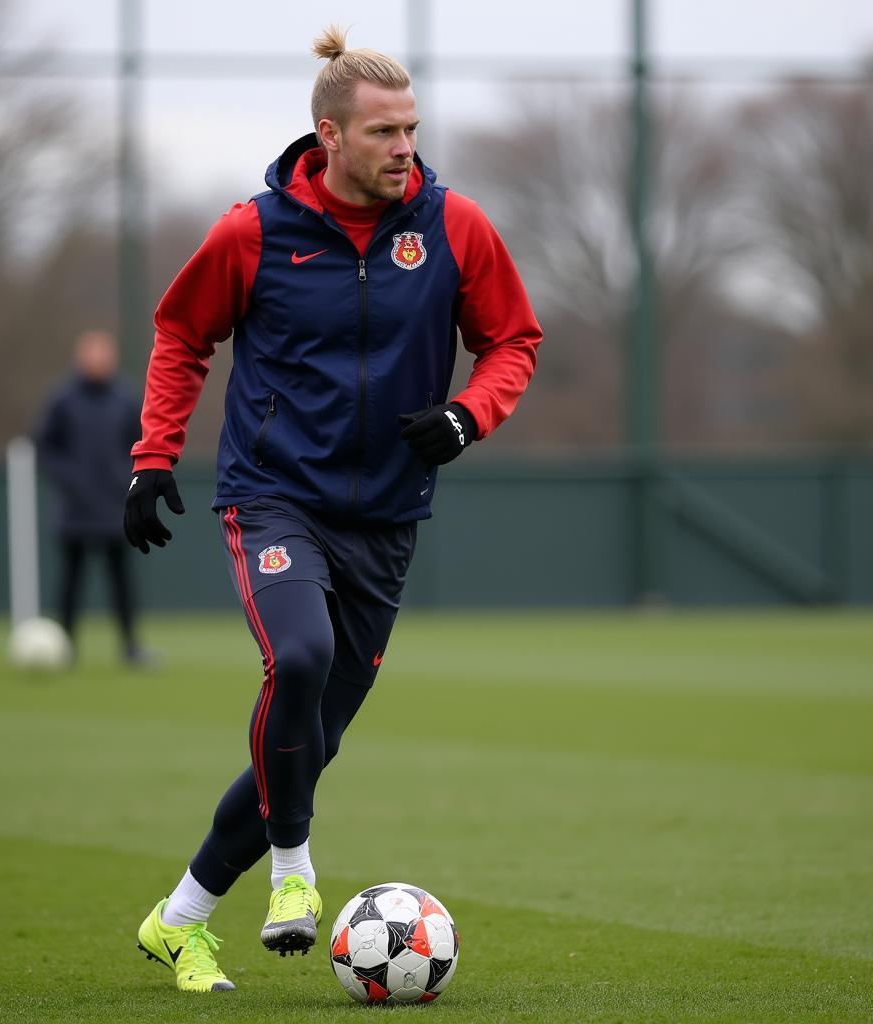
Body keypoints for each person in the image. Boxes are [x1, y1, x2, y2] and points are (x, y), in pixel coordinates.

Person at [124, 25, 542, 993]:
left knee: (312, 739)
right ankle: (291, 874)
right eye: (386, 132)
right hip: (274, 499)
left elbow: (512, 338)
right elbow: (181, 334)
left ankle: (179, 917)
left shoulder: (452, 224)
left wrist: (466, 412)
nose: (406, 148)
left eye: (412, 128)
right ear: (328, 137)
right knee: (298, 660)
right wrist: (152, 456)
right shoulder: (253, 231)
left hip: (386, 517)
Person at [36, 329, 146, 664]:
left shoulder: (125, 397)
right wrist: (71, 480)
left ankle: (130, 647)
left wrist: (128, 481)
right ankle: (65, 647)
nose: (99, 360)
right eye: (93, 353)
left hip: (115, 506)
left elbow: (142, 442)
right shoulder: (63, 398)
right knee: (71, 579)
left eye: (104, 353)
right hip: (76, 508)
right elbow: (44, 446)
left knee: (121, 580)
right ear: (80, 357)